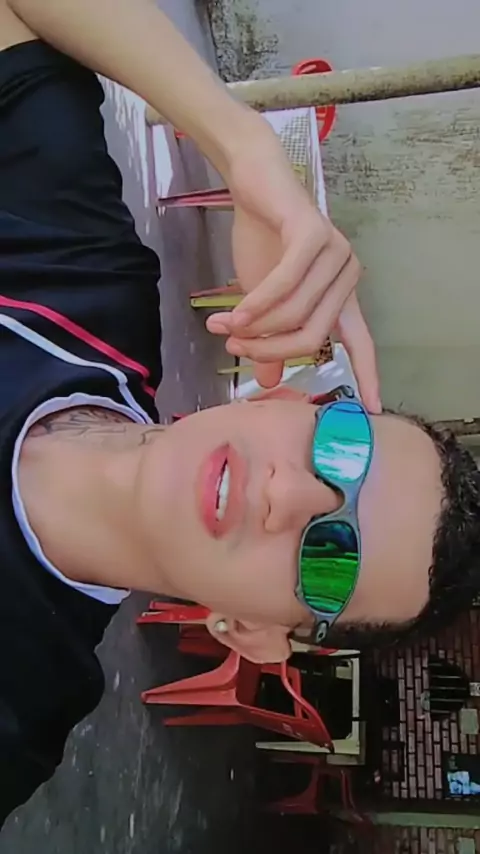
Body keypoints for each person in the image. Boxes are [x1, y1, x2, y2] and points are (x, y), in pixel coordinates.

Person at [1, 0, 479, 826]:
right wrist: (242, 144)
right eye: (339, 448)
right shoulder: (86, 292)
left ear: (254, 633)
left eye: (329, 559)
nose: (289, 496)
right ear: (289, 397)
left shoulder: (20, 704)